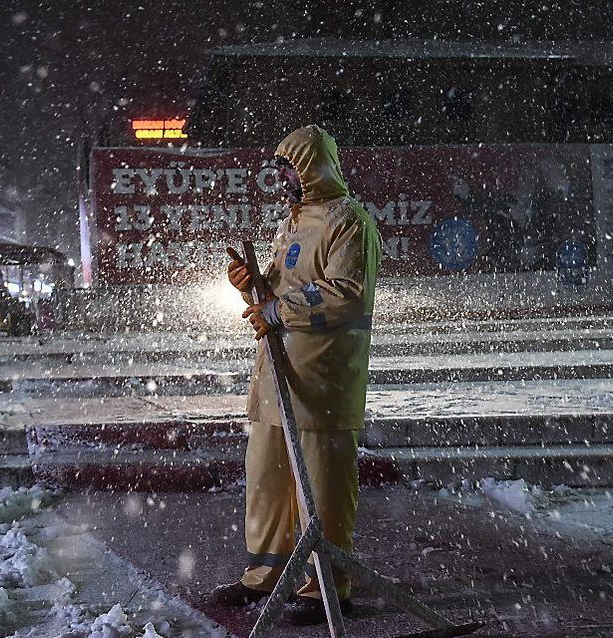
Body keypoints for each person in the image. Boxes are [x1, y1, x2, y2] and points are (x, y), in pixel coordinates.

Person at [212, 125, 382, 626]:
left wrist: (274, 307)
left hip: (323, 380)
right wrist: (252, 284)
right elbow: (278, 295)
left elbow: (347, 294)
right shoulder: (291, 225)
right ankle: (266, 573)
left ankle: (325, 585)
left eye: (289, 167)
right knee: (266, 476)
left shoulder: (349, 223)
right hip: (277, 379)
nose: (282, 177)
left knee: (322, 487)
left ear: (311, 167)